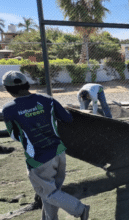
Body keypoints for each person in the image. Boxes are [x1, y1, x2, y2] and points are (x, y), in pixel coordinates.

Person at [2, 71, 90, 220]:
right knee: (53, 192)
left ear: (7, 89)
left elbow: (14, 135)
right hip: (58, 152)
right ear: (27, 84)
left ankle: (80, 209)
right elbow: (67, 119)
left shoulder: (9, 109)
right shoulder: (47, 100)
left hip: (38, 158)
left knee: (48, 193)